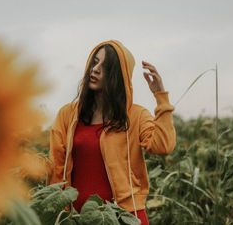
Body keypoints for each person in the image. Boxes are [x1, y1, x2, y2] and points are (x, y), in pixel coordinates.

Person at [47, 40, 176, 224]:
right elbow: (55, 168)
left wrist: (160, 97)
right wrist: (54, 212)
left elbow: (163, 146)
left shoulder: (136, 115)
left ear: (119, 75)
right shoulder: (67, 115)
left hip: (125, 217)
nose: (96, 69)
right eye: (94, 62)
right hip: (76, 218)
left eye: (105, 66)